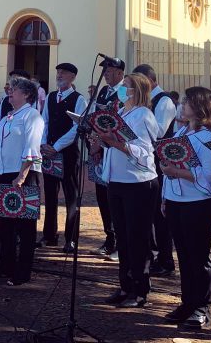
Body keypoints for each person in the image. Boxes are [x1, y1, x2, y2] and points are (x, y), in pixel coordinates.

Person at [93, 72, 160, 308]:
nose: (122, 90)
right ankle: (125, 285)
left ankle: (140, 290)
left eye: (126, 87)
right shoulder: (121, 112)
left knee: (137, 237)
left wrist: (115, 143)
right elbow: (115, 144)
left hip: (138, 182)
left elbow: (143, 150)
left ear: (136, 90)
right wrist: (102, 141)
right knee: (122, 236)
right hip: (117, 180)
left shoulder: (144, 114)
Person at [160, 86, 211, 330]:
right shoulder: (181, 132)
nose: (182, 106)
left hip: (200, 203)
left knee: (199, 256)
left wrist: (176, 171)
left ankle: (201, 308)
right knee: (184, 256)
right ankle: (187, 303)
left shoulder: (210, 137)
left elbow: (208, 176)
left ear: (199, 107)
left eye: (186, 102)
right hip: (177, 201)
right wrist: (166, 198)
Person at [0, 75, 44, 286]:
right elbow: (0, 149)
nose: (10, 92)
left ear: (27, 94)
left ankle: (23, 271)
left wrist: (22, 175)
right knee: (6, 224)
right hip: (5, 173)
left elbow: (32, 147)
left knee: (25, 226)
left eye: (15, 90)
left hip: (23, 175)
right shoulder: (8, 117)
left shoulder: (32, 116)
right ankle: (6, 264)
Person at [134, 63, 177, 277]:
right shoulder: (145, 102)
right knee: (148, 212)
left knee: (160, 214)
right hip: (146, 162)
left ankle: (166, 258)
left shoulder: (165, 101)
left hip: (161, 162)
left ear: (150, 81)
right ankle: (152, 253)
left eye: (141, 83)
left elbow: (160, 132)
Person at [38, 62, 86, 252]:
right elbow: (44, 121)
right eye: (58, 72)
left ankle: (71, 238)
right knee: (50, 195)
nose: (59, 75)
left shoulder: (79, 99)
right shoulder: (50, 97)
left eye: (64, 73)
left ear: (73, 77)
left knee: (70, 196)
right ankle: (49, 235)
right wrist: (44, 144)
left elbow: (77, 127)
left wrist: (57, 146)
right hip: (49, 152)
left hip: (67, 153)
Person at [91, 57, 125, 259]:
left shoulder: (123, 92)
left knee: (115, 199)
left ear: (120, 73)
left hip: (114, 149)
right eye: (105, 71)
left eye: (110, 71)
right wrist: (94, 143)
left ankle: (121, 242)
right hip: (99, 150)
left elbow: (119, 122)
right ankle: (109, 238)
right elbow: (96, 119)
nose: (106, 74)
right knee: (102, 198)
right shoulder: (103, 91)